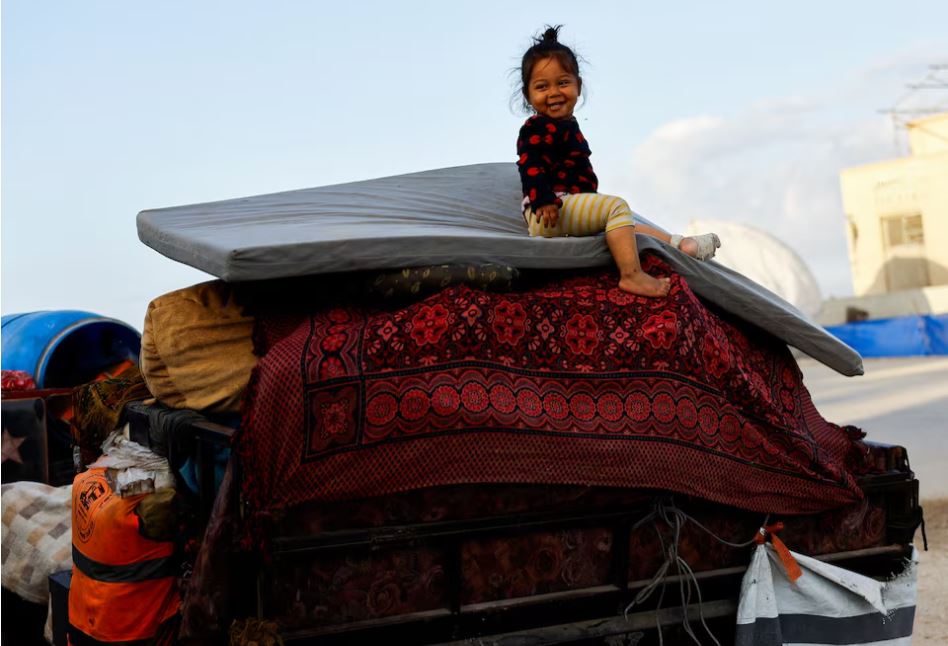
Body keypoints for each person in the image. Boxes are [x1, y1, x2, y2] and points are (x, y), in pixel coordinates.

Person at [516, 26, 721, 297]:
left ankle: (679, 244)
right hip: (550, 210)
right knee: (617, 208)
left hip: (568, 207)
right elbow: (529, 164)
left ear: (579, 86)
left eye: (563, 83)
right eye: (542, 87)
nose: (554, 92)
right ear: (528, 95)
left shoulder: (570, 127)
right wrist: (542, 198)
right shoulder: (536, 127)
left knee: (626, 226)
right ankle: (632, 275)